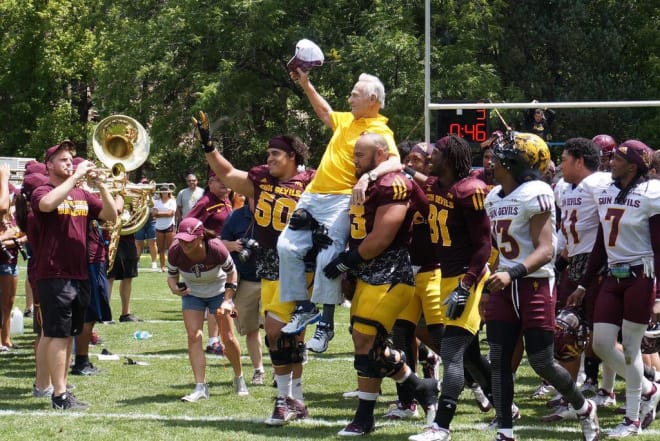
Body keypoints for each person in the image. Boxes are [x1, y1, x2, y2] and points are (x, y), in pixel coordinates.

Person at [191, 119, 315, 424]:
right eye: (268, 153)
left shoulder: (312, 181)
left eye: (275, 153)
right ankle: (295, 399)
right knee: (289, 336)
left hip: (300, 263)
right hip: (270, 262)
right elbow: (228, 174)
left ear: (293, 157)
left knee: (278, 331)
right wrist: (209, 145)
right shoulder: (260, 179)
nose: (269, 158)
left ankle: (284, 399)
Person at [483, 132, 599, 441]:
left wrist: (513, 272)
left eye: (502, 157)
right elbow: (497, 248)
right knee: (499, 360)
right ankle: (505, 430)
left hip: (533, 284)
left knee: (542, 361)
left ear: (518, 162)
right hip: (504, 285)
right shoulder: (493, 196)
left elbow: (545, 248)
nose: (494, 162)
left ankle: (583, 406)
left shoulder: (535, 191)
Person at [277, 69, 402, 353]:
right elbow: (324, 112)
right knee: (286, 246)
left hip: (341, 198)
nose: (349, 99)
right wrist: (306, 84)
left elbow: (395, 160)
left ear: (372, 99)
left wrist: (367, 177)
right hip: (313, 194)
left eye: (354, 94)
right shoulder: (348, 121)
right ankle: (305, 308)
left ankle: (326, 325)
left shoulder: (379, 129)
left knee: (328, 257)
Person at [323, 133, 438, 436]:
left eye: (360, 155)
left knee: (365, 338)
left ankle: (365, 417)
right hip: (367, 273)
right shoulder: (367, 182)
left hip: (390, 271)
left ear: (379, 155)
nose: (354, 160)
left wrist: (346, 261)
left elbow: (381, 238)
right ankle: (420, 388)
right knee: (368, 344)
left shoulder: (393, 183)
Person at [409, 135, 495, 441]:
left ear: (451, 157)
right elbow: (423, 191)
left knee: (451, 352)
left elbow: (484, 245)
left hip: (467, 278)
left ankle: (441, 426)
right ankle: (504, 407)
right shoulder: (436, 185)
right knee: (470, 355)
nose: (430, 156)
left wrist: (468, 283)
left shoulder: (470, 190)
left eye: (437, 152)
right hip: (446, 276)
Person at [573, 140, 660, 436]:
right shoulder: (608, 191)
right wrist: (584, 284)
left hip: (641, 274)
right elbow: (601, 241)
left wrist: (659, 295)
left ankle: (632, 419)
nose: (612, 163)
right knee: (600, 344)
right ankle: (649, 389)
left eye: (619, 160)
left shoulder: (652, 193)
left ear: (634, 166)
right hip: (613, 275)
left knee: (631, 350)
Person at [31, 141, 117, 410]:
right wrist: (77, 177)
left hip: (79, 272)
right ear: (49, 165)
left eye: (71, 160)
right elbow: (46, 205)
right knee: (57, 334)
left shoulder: (81, 194)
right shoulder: (42, 189)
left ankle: (54, 387)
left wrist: (102, 185)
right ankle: (59, 395)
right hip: (54, 272)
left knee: (65, 334)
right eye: (63, 160)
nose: (70, 163)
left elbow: (112, 215)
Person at [167, 217, 247, 400]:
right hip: (192, 294)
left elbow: (232, 273)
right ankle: (200, 387)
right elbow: (172, 277)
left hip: (219, 292)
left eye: (188, 240)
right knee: (194, 336)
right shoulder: (175, 251)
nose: (183, 244)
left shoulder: (216, 248)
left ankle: (239, 377)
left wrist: (228, 300)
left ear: (200, 237)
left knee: (227, 337)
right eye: (181, 239)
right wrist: (173, 288)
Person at [185, 173, 233, 356]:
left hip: (224, 257)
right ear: (210, 182)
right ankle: (213, 341)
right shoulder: (206, 202)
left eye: (228, 181)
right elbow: (188, 226)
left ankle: (218, 339)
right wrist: (216, 240)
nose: (225, 184)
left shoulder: (226, 200)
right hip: (210, 259)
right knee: (216, 299)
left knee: (221, 300)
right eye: (221, 180)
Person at [221, 198, 265, 385]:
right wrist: (233, 246)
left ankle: (281, 373)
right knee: (251, 329)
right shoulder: (236, 216)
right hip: (247, 280)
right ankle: (259, 371)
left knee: (276, 328)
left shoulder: (277, 213)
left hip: (274, 279)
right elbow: (221, 242)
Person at [153, 185, 176, 272]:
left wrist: (159, 213)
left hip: (170, 226)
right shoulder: (156, 201)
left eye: (166, 190)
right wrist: (164, 213)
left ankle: (171, 267)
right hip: (159, 227)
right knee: (161, 248)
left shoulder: (172, 201)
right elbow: (154, 214)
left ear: (169, 191)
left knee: (171, 248)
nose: (164, 191)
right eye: (162, 190)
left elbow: (170, 213)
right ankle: (162, 267)